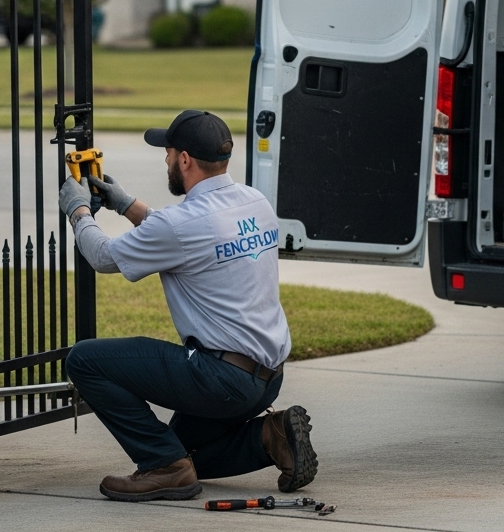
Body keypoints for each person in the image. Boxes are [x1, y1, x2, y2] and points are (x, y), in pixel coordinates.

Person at [58, 110, 317, 502]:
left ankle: (162, 467)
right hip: (268, 378)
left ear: (184, 160)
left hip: (221, 380)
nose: (164, 159)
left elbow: (104, 256)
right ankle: (272, 435)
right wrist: (126, 204)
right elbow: (189, 235)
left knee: (85, 360)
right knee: (186, 453)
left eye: (167, 151)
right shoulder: (254, 201)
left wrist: (78, 211)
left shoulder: (180, 224)